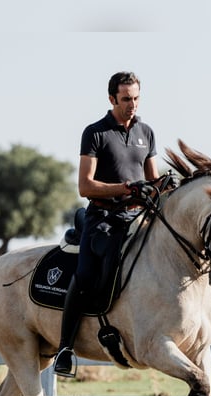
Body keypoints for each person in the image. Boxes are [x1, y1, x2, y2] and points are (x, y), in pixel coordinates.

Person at [53, 71, 159, 377]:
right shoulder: (95, 133)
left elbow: (152, 182)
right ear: (112, 99)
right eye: (126, 99)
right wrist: (125, 189)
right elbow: (85, 187)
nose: (132, 105)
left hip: (138, 218)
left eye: (136, 98)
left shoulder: (147, 132)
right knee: (85, 275)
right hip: (102, 219)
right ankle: (64, 347)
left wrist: (165, 189)